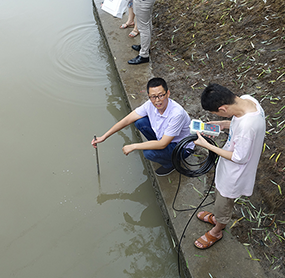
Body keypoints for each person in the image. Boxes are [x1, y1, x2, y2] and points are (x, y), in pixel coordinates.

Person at [192, 83, 266, 249]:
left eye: (216, 112)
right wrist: (222, 124)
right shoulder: (247, 100)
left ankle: (218, 230)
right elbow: (237, 123)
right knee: (220, 200)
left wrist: (208, 145)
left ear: (223, 108)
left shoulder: (248, 127)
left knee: (223, 203)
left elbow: (239, 158)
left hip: (235, 175)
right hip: (228, 169)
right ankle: (217, 218)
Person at [91, 77, 192, 176]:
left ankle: (171, 164)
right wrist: (104, 137)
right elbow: (127, 120)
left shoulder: (177, 114)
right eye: (153, 97)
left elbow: (162, 144)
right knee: (140, 122)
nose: (157, 101)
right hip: (164, 138)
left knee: (148, 153)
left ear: (168, 93)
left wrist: (134, 146)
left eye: (161, 95)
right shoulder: (149, 104)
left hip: (181, 147)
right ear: (148, 96)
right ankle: (160, 152)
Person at [127, 0, 156, 65]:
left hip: (142, 2)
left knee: (143, 27)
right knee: (147, 21)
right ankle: (145, 47)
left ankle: (144, 55)